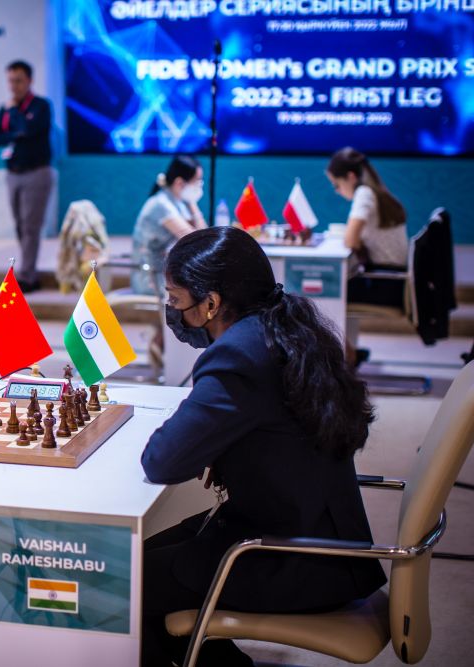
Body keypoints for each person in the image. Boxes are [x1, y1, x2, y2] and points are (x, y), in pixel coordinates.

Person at [140, 226, 386, 666]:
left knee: (124, 584)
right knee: (139, 556)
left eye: (175, 299)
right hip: (315, 530)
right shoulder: (287, 325)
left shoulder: (238, 355)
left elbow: (162, 461)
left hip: (291, 556)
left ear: (211, 303)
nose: (172, 311)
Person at [132, 155, 207, 364]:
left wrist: (192, 204)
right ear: (180, 183)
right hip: (149, 277)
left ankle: (164, 343)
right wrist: (193, 204)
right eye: (197, 182)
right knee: (196, 291)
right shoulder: (161, 205)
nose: (200, 186)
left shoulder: (177, 202)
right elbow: (195, 239)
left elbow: (203, 237)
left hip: (162, 274)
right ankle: (174, 352)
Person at [0, 60, 53, 292]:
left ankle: (27, 275)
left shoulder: (41, 106)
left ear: (29, 81)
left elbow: (29, 130)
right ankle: (28, 269)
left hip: (36, 172)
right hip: (13, 173)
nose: (14, 86)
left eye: (18, 81)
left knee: (30, 226)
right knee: (19, 225)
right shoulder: (4, 109)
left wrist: (15, 116)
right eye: (11, 81)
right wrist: (15, 131)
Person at [326, 146, 408, 308]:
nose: (337, 191)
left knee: (326, 289)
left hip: (385, 282)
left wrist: (355, 240)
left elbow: (350, 240)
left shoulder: (364, 193)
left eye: (337, 185)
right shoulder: (376, 192)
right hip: (394, 280)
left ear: (351, 177)